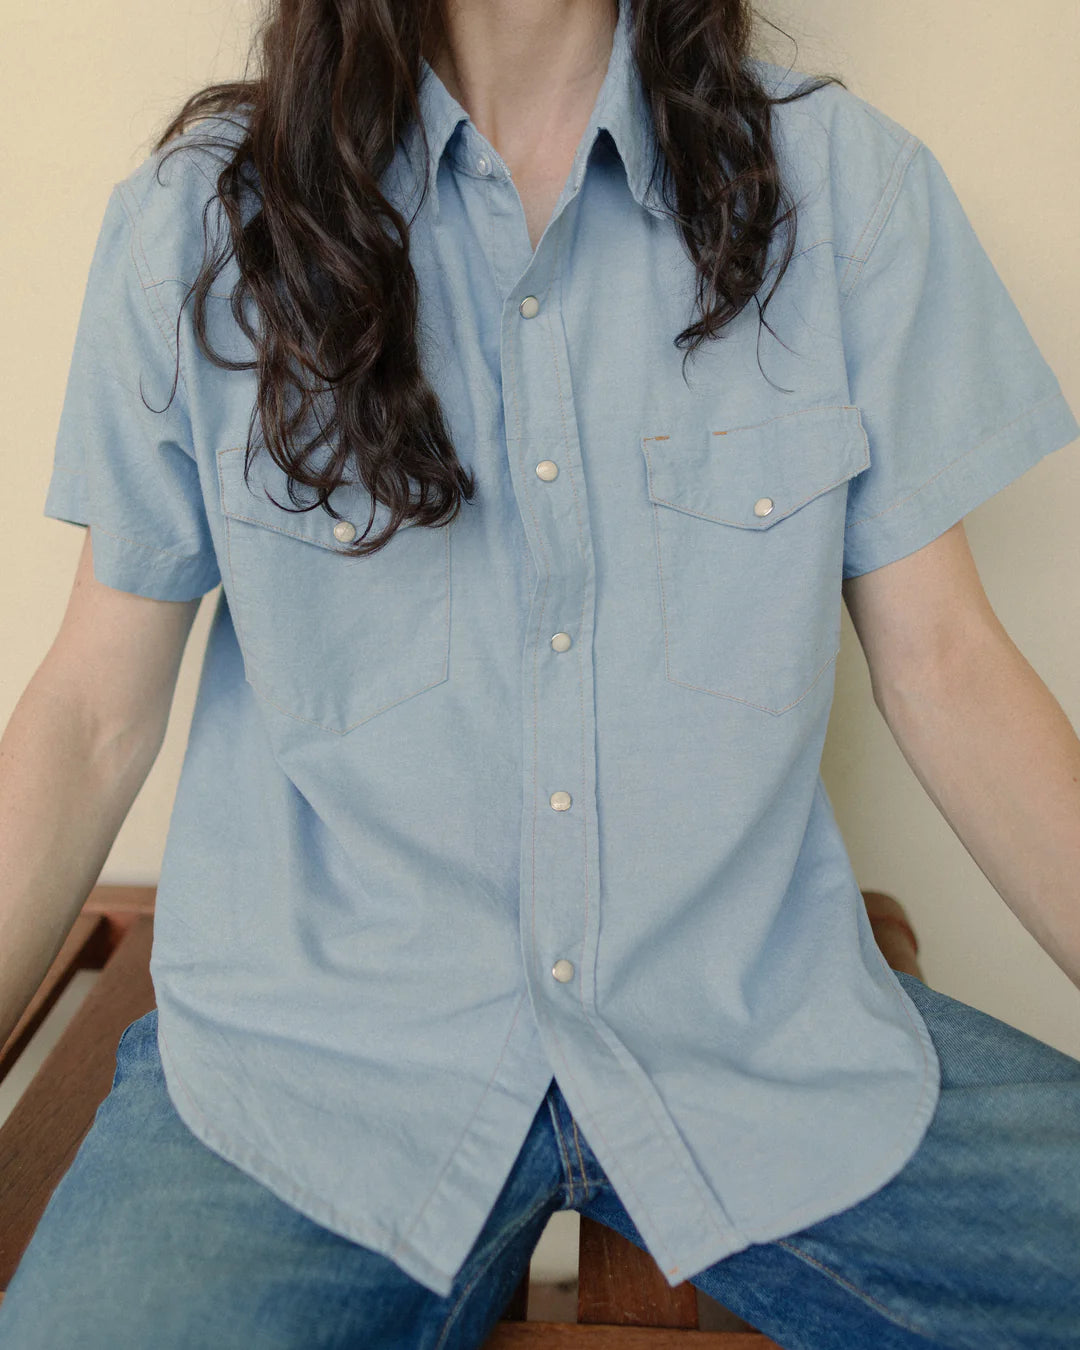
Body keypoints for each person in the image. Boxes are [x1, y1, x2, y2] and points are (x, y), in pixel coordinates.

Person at [1, 0, 1078, 1345]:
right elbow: (90, 710)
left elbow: (952, 665)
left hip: (759, 1045)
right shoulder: (204, 227)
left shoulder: (849, 195)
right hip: (312, 1074)